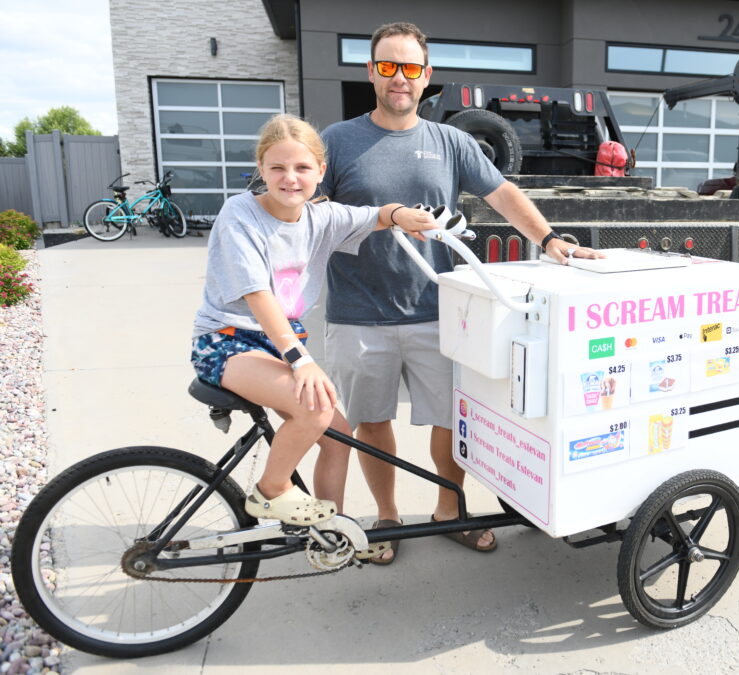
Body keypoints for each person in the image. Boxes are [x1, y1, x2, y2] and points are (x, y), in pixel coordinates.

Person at [321, 21, 601, 564]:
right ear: (371, 73)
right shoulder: (337, 141)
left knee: (453, 418)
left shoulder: (449, 142)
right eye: (387, 67)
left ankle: (449, 511)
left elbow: (502, 192)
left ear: (426, 77)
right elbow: (313, 217)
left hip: (435, 310)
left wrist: (547, 239)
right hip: (357, 313)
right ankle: (387, 518)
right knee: (373, 422)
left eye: (409, 68)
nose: (398, 79)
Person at [190, 113, 436, 525]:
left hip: (279, 343)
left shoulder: (322, 218)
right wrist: (301, 360)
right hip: (228, 341)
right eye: (278, 168)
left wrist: (401, 215)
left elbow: (375, 214)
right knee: (317, 408)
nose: (291, 178)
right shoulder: (240, 214)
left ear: (320, 171)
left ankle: (329, 529)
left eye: (303, 167)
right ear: (262, 170)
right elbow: (258, 294)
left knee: (338, 438)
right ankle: (271, 491)